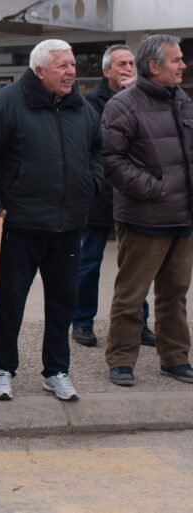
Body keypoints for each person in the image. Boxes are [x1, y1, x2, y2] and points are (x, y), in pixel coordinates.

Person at [0, 39, 103, 402]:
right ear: (40, 70)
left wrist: (92, 183)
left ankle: (56, 370)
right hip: (20, 225)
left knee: (63, 304)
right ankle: (1, 369)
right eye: (62, 66)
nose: (71, 71)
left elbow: (97, 151)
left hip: (68, 226)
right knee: (9, 303)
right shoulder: (10, 103)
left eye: (73, 64)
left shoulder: (82, 108)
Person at [102, 34, 193, 386]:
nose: (183, 65)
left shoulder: (183, 102)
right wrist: (156, 190)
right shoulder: (123, 105)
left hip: (182, 218)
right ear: (155, 67)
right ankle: (121, 359)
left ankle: (174, 358)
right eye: (177, 60)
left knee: (175, 295)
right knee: (131, 294)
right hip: (144, 218)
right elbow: (111, 162)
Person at [72, 45, 155, 348]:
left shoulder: (147, 99)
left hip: (132, 195)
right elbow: (100, 144)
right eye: (121, 64)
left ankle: (140, 324)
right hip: (99, 196)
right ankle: (82, 322)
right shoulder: (89, 103)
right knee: (89, 262)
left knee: (135, 266)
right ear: (107, 71)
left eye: (132, 63)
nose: (128, 68)